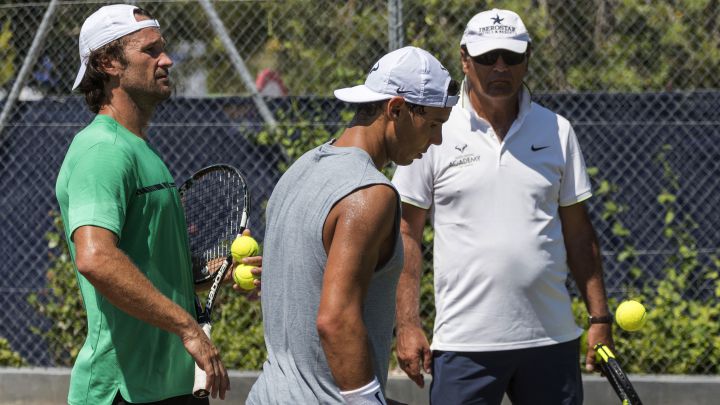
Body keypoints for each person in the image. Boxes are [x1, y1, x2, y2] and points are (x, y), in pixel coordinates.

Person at [392, 9, 614, 405]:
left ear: (527, 58)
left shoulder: (557, 130)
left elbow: (580, 233)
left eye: (511, 57)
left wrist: (599, 318)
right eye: (487, 57)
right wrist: (407, 324)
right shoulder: (434, 128)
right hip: (463, 345)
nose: (500, 67)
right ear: (464, 59)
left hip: (551, 341)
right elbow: (406, 233)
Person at [56, 5, 260, 404]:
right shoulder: (103, 151)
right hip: (120, 391)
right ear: (108, 62)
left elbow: (151, 270)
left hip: (166, 387)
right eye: (150, 51)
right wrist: (188, 328)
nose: (166, 59)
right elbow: (95, 259)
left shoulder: (139, 149)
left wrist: (217, 273)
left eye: (162, 49)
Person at [246, 46, 459, 405]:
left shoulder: (299, 169)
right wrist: (365, 400)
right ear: (396, 109)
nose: (436, 140)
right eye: (434, 124)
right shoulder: (372, 194)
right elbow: (335, 320)